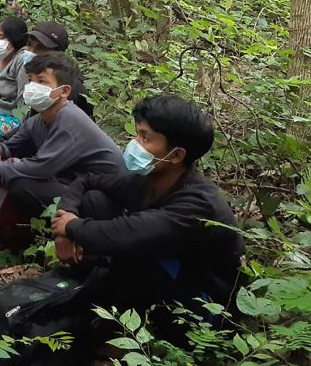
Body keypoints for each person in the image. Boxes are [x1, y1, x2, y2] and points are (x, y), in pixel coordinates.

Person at [51, 95, 245, 349]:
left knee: (134, 251)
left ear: (176, 155)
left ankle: (111, 333)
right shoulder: (148, 179)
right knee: (96, 200)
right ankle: (98, 305)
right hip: (166, 272)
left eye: (145, 137)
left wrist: (71, 226)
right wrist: (65, 225)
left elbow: (130, 235)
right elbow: (87, 180)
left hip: (205, 307)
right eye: (137, 135)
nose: (135, 144)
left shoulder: (197, 203)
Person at [0, 53, 124, 219]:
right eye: (30, 80)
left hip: (103, 199)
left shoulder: (70, 120)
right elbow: (11, 142)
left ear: (64, 91)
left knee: (21, 182)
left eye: (42, 81)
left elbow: (40, 168)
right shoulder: (39, 119)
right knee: (9, 171)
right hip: (75, 185)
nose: (32, 87)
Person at [25, 21, 94, 117]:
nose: (32, 52)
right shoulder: (38, 75)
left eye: (41, 48)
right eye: (29, 44)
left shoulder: (70, 87)